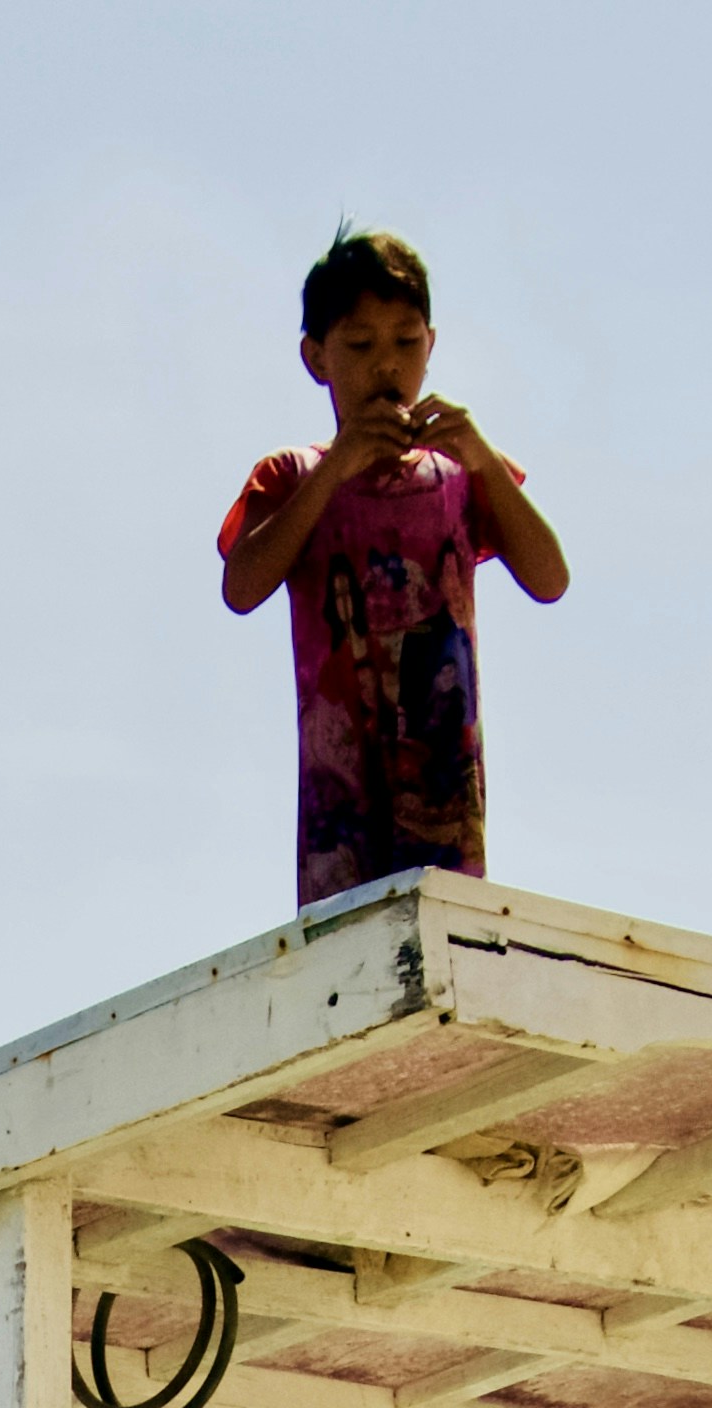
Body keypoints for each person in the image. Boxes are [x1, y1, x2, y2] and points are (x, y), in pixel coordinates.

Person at [216, 229, 572, 909]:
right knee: (347, 956)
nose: (387, 366)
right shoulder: (293, 476)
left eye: (406, 343)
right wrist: (336, 468)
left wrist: (481, 455)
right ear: (315, 357)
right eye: (360, 346)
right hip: (341, 795)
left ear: (431, 349)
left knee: (444, 941)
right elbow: (242, 586)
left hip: (442, 783)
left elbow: (550, 578)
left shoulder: (460, 476)